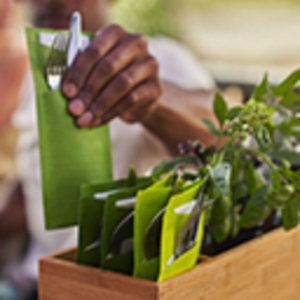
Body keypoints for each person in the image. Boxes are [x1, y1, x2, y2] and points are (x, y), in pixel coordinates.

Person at [1, 0, 218, 299]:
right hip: (34, 281)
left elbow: (219, 135)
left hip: (115, 287)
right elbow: (32, 192)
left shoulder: (162, 59)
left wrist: (153, 99)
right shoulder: (36, 78)